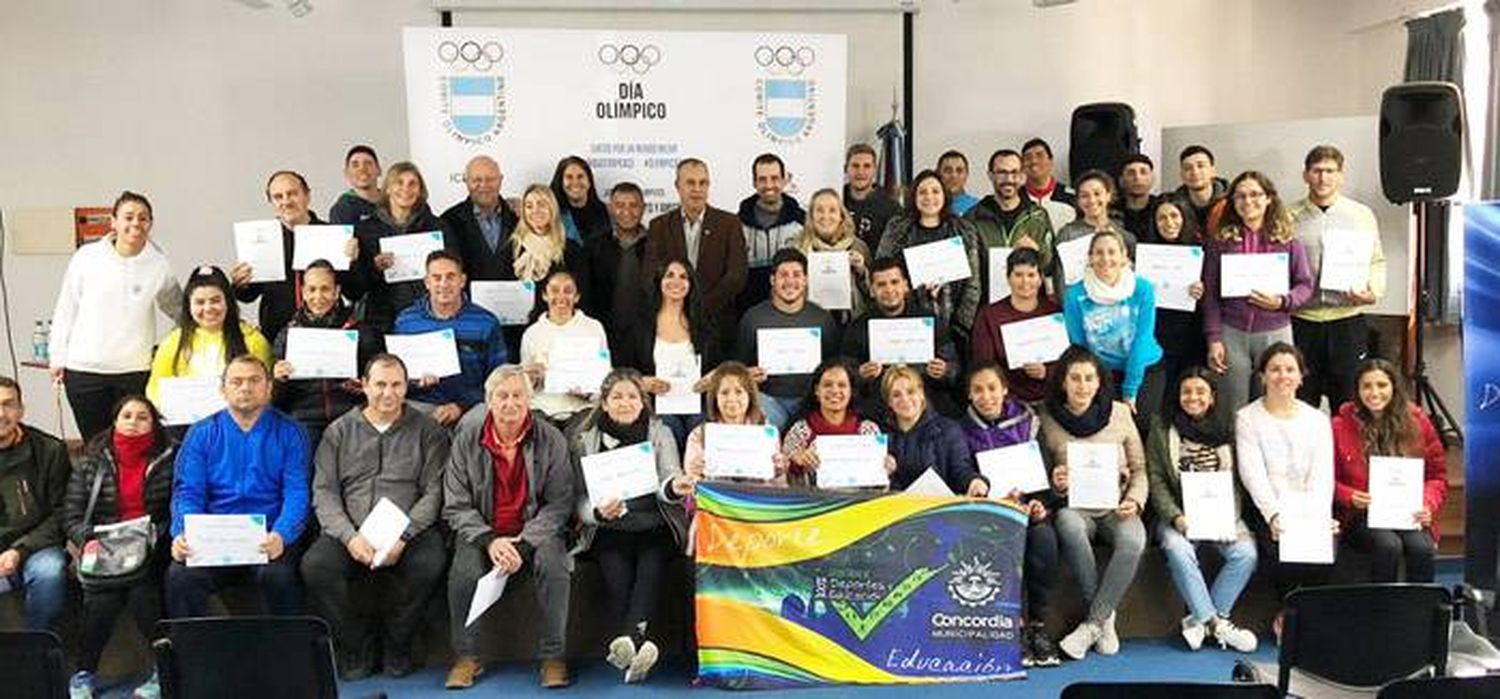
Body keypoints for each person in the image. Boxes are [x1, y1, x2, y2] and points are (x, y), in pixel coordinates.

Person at [301, 354, 449, 680]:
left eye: (396, 385)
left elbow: (434, 492)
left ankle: (398, 643)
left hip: (410, 531)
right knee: (316, 567)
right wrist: (349, 537)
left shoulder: (428, 431)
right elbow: (324, 492)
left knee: (429, 563)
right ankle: (356, 645)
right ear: (364, 386)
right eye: (380, 384)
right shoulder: (337, 432)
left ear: (406, 388)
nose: (388, 393)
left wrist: (404, 536)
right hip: (351, 530)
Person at [443, 365, 575, 690]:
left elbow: (560, 503)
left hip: (534, 531)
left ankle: (553, 656)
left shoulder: (551, 438)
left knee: (555, 566)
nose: (510, 403)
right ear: (488, 400)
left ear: (530, 400)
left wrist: (526, 542)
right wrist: (490, 541)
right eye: (502, 396)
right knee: (463, 573)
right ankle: (467, 656)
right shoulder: (467, 436)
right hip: (483, 531)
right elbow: (456, 504)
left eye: (518, 396)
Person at [567, 369, 692, 684]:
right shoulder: (585, 439)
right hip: (609, 529)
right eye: (617, 397)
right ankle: (640, 645)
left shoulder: (660, 433)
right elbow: (578, 500)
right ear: (605, 404)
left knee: (652, 565)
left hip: (655, 523)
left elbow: (670, 476)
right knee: (617, 573)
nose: (625, 403)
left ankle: (628, 643)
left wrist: (674, 487)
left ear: (643, 402)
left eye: (632, 396)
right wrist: (597, 511)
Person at [166, 355, 310, 617]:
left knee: (279, 577)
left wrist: (282, 534)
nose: (245, 388)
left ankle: (289, 650)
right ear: (223, 389)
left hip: (269, 537)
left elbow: (297, 492)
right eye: (237, 381)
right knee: (181, 576)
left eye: (254, 380)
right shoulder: (201, 432)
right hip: (213, 537)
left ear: (269, 387)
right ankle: (188, 652)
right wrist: (183, 533)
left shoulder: (291, 431)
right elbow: (188, 492)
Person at [63, 396, 175, 698]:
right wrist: (88, 541)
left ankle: (162, 672)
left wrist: (156, 536)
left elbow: (174, 510)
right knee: (102, 600)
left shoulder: (169, 457)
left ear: (154, 423)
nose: (134, 422)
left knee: (143, 595)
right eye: (127, 415)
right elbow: (72, 515)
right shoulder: (91, 460)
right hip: (103, 549)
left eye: (142, 417)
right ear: (115, 420)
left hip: (152, 548)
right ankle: (84, 674)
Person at [1040, 346, 1147, 660]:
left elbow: (1140, 469)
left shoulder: (1121, 413)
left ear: (1100, 382)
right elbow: (1044, 473)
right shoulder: (1047, 417)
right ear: (1063, 382)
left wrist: (1135, 501)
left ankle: (1093, 623)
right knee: (1068, 524)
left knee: (1133, 541)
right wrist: (1055, 483)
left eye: (1089, 378)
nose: (1082, 385)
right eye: (1075, 378)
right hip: (1075, 506)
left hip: (1117, 506)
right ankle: (1104, 617)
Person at [49, 191, 182, 442]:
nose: (135, 224)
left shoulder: (158, 264)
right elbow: (66, 307)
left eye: (143, 218)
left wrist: (172, 347)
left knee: (134, 443)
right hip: (84, 371)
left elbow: (178, 309)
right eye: (128, 217)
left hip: (135, 370)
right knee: (96, 444)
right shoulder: (87, 258)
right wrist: (57, 356)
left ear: (150, 224)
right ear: (113, 221)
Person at [1146, 368, 1259, 653]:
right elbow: (1157, 479)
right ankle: (1217, 624)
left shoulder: (1228, 429)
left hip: (1222, 514)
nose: (1192, 397)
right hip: (1178, 514)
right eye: (1186, 391)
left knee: (1246, 554)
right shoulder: (1161, 427)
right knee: (1176, 548)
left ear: (1212, 398)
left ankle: (1202, 619)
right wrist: (1176, 517)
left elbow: (1237, 480)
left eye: (1200, 392)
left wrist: (1229, 518)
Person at [959, 362, 1060, 667]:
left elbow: (1042, 473)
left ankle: (1038, 626)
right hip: (988, 511)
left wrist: (1038, 502)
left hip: (1027, 509)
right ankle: (1011, 626)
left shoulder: (1029, 421)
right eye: (978, 389)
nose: (986, 396)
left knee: (1043, 537)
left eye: (992, 388)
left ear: (1005, 389)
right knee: (996, 540)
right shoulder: (961, 430)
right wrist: (977, 487)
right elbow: (962, 470)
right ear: (969, 395)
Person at [1203, 171, 1315, 411]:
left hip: (1275, 331)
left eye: (1255, 194)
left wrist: (1283, 301)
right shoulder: (1219, 242)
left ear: (1269, 199)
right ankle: (1235, 448)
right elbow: (1210, 295)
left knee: (1276, 400)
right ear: (1232, 202)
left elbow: (1305, 285)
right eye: (1240, 196)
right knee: (1232, 405)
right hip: (1231, 333)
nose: (1248, 201)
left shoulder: (1288, 241)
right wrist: (1214, 338)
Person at [1235, 343, 1337, 602]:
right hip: (1267, 508)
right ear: (1263, 377)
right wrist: (1275, 515)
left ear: (1301, 377)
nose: (1283, 376)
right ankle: (1287, 616)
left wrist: (1316, 515)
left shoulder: (1317, 419)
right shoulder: (1247, 417)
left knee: (1323, 548)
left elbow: (1323, 473)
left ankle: (1311, 618)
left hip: (1309, 507)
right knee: (1279, 547)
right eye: (1275, 369)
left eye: (1290, 369)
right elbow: (1252, 474)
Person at [1332, 358, 1446, 583]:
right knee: (1388, 545)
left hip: (1407, 513)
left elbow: (1436, 476)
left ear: (1394, 387)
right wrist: (1349, 496)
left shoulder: (1418, 421)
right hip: (1360, 515)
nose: (1374, 393)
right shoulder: (1339, 425)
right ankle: (1383, 610)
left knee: (1421, 548)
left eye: (1382, 385)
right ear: (1357, 391)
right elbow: (1326, 479)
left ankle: (1420, 610)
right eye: (1367, 386)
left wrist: (1426, 503)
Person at [1290, 146, 1386, 411]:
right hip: (1301, 321)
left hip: (1347, 320)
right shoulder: (1287, 216)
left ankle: (1346, 454)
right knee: (1301, 401)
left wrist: (1373, 291)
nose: (1323, 178)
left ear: (1341, 176)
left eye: (1330, 171)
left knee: (1348, 401)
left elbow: (1376, 260)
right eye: (1317, 171)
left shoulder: (1361, 215)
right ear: (1305, 175)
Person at [232, 170, 361, 344]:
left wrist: (352, 263)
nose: (286, 201)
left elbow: (354, 292)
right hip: (276, 335)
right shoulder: (260, 241)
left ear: (307, 196)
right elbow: (248, 296)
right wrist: (240, 284)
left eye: (292, 194)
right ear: (271, 202)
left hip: (329, 336)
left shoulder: (333, 235)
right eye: (278, 197)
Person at [271, 259, 382, 451]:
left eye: (325, 289)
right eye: (312, 289)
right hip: (304, 417)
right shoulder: (287, 335)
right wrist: (278, 381)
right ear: (303, 292)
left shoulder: (360, 331)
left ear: (337, 291)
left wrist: (364, 387)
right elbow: (276, 401)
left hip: (350, 414)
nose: (318, 296)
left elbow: (380, 379)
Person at [643, 158, 748, 360]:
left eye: (703, 183)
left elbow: (737, 275)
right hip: (671, 326)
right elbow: (650, 275)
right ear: (677, 186)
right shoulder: (659, 226)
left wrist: (699, 308)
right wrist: (679, 310)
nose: (697, 189)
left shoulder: (729, 223)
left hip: (717, 324)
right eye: (690, 183)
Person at [393, 250, 507, 429]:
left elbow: (499, 378)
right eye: (436, 277)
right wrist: (414, 382)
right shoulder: (406, 321)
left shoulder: (486, 322)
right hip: (421, 402)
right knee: (398, 416)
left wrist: (461, 405)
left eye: (450, 277)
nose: (443, 284)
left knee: (480, 420)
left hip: (471, 407)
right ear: (427, 283)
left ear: (462, 281)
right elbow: (396, 377)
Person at [1062, 230, 1165, 428]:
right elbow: (1079, 345)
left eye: (1112, 252)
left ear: (1124, 256)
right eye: (1099, 253)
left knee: (1142, 426)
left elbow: (1142, 340)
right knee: (1108, 431)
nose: (1105, 258)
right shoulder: (1075, 294)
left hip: (1145, 368)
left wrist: (1130, 390)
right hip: (1102, 372)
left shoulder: (1142, 289)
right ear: (1090, 258)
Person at [839, 256, 960, 420]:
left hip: (928, 405)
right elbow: (843, 375)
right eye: (881, 285)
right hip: (878, 409)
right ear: (872, 290)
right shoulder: (857, 327)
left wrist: (945, 371)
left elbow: (955, 369)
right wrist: (859, 374)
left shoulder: (929, 321)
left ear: (906, 286)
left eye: (894, 282)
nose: (889, 290)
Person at [733, 248, 840, 430]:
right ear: (772, 280)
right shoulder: (753, 318)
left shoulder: (822, 318)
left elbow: (834, 366)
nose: (790, 281)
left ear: (806, 280)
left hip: (811, 400)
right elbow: (737, 368)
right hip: (768, 399)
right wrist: (747, 375)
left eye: (797, 275)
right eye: (783, 275)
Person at [876, 169, 984, 348]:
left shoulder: (964, 229)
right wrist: (910, 291)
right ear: (914, 196)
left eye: (935, 191)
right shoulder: (897, 228)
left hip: (954, 326)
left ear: (945, 195)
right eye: (922, 192)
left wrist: (961, 326)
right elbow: (882, 270)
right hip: (905, 324)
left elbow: (973, 285)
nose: (929, 197)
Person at [616, 257, 712, 450]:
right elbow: (620, 369)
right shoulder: (639, 323)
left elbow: (719, 366)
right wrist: (641, 382)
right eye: (670, 275)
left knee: (702, 430)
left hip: (695, 401)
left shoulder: (703, 323)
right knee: (666, 428)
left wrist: (712, 377)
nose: (676, 281)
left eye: (683, 277)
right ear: (659, 282)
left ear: (691, 284)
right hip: (655, 404)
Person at [146, 266, 273, 409]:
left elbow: (265, 390)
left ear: (228, 302)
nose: (208, 308)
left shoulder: (253, 340)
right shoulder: (173, 342)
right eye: (200, 302)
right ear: (189, 305)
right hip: (186, 425)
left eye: (215, 300)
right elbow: (154, 391)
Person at [0, 377, 69, 632]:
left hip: (37, 546)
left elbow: (63, 513)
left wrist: (19, 550)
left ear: (21, 410)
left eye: (8, 404)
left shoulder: (50, 450)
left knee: (50, 573)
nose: (1, 413)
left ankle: (38, 649)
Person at [493, 184, 592, 359]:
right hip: (516, 335)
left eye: (541, 204)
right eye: (529, 206)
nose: (535, 211)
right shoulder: (511, 248)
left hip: (561, 334)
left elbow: (583, 295)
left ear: (552, 208)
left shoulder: (571, 249)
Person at [354, 161, 455, 332]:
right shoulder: (366, 230)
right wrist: (374, 267)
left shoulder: (438, 226)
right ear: (387, 188)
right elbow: (355, 287)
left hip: (428, 317)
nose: (406, 189)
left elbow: (455, 266)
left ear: (420, 190)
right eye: (399, 182)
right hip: (381, 319)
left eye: (412, 183)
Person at [970, 248, 1062, 404]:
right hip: (1006, 401)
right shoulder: (989, 315)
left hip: (1052, 399)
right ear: (1008, 278)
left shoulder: (1054, 312)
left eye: (1031, 275)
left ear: (1040, 279)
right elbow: (984, 366)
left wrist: (1047, 372)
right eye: (1018, 275)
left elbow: (1068, 361)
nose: (1025, 281)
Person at [519, 268, 609, 427]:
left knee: (579, 442)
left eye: (568, 291)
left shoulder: (593, 327)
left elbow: (604, 375)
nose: (561, 297)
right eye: (554, 291)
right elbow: (525, 386)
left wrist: (588, 392)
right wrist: (532, 378)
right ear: (544, 295)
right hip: (542, 409)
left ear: (577, 297)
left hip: (583, 409)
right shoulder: (532, 333)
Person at [781, 359, 889, 489]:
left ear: (851, 391)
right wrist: (796, 461)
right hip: (813, 505)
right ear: (817, 391)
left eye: (842, 385)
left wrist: (886, 468)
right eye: (827, 385)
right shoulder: (800, 430)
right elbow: (785, 481)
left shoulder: (868, 430)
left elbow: (878, 486)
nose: (834, 390)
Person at [882, 365, 988, 496]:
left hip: (939, 511)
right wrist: (883, 475)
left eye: (911, 391)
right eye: (896, 395)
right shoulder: (880, 437)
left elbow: (961, 470)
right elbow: (874, 488)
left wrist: (975, 482)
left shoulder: (949, 430)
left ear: (921, 394)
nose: (905, 399)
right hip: (896, 512)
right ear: (889, 402)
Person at [682, 361, 790, 488]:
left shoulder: (766, 433)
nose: (732, 399)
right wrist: (695, 472)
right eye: (724, 392)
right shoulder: (699, 435)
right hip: (717, 501)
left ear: (750, 396)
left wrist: (778, 470)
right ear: (714, 398)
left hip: (759, 500)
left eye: (739, 392)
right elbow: (692, 484)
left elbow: (779, 485)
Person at [967, 148, 1056, 295]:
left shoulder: (1038, 215)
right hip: (987, 307)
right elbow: (966, 272)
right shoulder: (973, 217)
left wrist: (1037, 252)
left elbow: (1051, 266)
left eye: (1014, 172)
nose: (1009, 179)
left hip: (1029, 305)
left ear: (1022, 176)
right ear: (991, 176)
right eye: (1002, 173)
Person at [1147, 199, 1208, 396]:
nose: (1169, 222)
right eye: (1161, 218)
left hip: (1193, 332)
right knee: (1161, 391)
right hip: (1158, 332)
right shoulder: (1146, 253)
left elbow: (1214, 293)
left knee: (1189, 387)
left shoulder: (1201, 249)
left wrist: (1202, 290)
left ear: (1184, 218)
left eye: (1174, 216)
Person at [736, 153, 807, 314]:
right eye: (762, 179)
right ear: (754, 182)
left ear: (784, 180)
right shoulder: (736, 224)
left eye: (774, 178)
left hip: (794, 311)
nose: (769, 185)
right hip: (748, 313)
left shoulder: (803, 221)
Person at [583, 182, 650, 351]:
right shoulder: (593, 246)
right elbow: (585, 293)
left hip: (648, 338)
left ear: (643, 208)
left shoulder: (657, 244)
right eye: (619, 205)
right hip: (604, 337)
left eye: (633, 205)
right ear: (610, 208)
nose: (626, 212)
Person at [788, 187, 872, 322]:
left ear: (841, 216)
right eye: (819, 210)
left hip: (851, 323)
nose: (825, 216)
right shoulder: (795, 247)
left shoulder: (858, 247)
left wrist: (861, 271)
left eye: (832, 210)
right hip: (807, 321)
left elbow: (872, 293)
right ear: (811, 216)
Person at [442, 155, 520, 284]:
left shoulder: (519, 216)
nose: (484, 185)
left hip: (516, 301)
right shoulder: (449, 220)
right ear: (466, 181)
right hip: (467, 302)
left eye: (490, 179)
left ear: (500, 180)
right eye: (477, 180)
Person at [1054, 170, 1137, 282]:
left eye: (1097, 194)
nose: (1092, 200)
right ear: (1078, 201)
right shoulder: (1067, 234)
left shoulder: (1125, 237)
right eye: (1084, 196)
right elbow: (1060, 278)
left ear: (1109, 195)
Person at [843, 143, 900, 253]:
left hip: (877, 268)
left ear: (875, 170)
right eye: (855, 166)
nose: (860, 172)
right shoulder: (835, 201)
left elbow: (894, 249)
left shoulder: (891, 208)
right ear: (846, 169)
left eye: (867, 166)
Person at [551, 155, 611, 244]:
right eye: (569, 177)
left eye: (580, 176)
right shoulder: (553, 214)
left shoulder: (605, 212)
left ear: (589, 181)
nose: (575, 182)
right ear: (560, 183)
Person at [1169, 145, 1229, 234]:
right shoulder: (1172, 206)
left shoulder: (1232, 203)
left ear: (1213, 171)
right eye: (1187, 168)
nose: (1194, 172)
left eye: (1200, 166)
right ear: (1181, 174)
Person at [329, 145, 382, 225]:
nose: (362, 169)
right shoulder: (341, 210)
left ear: (379, 170)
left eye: (368, 163)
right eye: (355, 165)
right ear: (346, 173)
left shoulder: (394, 201)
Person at [1020, 138, 1077, 210]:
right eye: (1028, 158)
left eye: (1040, 155)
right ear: (1022, 165)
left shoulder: (1071, 197)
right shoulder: (1015, 197)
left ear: (1051, 161)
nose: (1034, 161)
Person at [1114, 154, 1160, 241]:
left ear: (1152, 179)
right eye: (1131, 173)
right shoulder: (1110, 212)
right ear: (1121, 180)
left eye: (1143, 172)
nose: (1137, 178)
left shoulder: (1162, 208)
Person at [937, 149, 980, 216]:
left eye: (959, 171)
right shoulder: (928, 205)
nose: (954, 176)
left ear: (966, 175)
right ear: (939, 174)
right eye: (948, 171)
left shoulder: (978, 207)